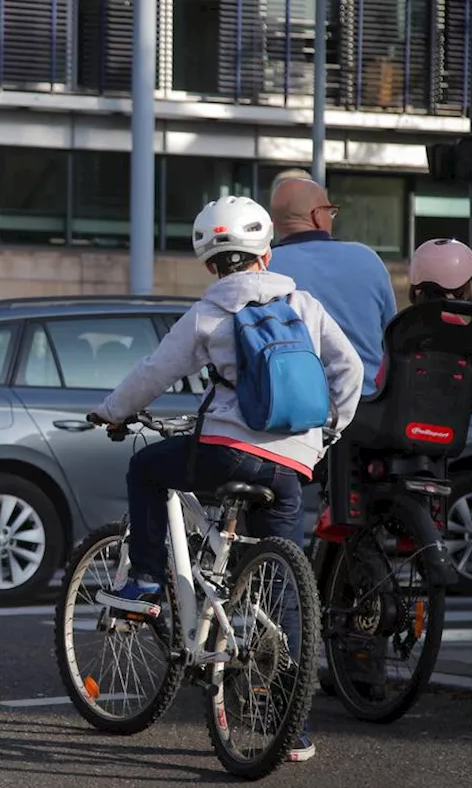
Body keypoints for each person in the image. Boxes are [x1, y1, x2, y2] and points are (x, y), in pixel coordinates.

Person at [87, 196, 365, 762]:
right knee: (280, 579)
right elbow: (350, 368)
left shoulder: (209, 312)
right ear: (265, 254)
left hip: (228, 454)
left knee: (147, 467)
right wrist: (330, 430)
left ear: (212, 263)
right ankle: (294, 728)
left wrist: (113, 412)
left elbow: (154, 373)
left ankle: (141, 582)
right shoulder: (302, 301)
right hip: (293, 463)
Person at [266, 173, 397, 397]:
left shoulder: (264, 268)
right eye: (331, 212)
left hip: (293, 411)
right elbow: (392, 340)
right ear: (317, 216)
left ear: (275, 224)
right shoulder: (368, 260)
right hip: (366, 405)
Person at [372, 237, 472, 389]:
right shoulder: (470, 331)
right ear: (465, 286)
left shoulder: (403, 327)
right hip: (456, 410)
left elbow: (381, 382)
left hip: (406, 411)